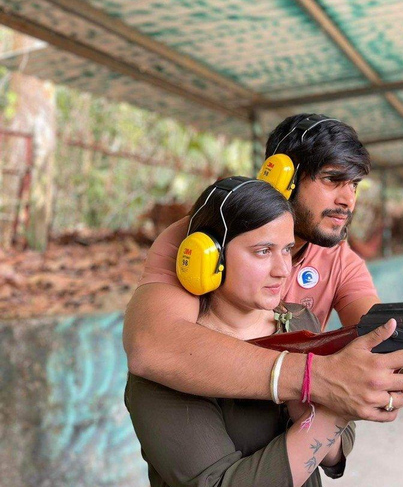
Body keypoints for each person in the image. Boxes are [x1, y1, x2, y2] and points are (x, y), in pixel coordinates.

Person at [123, 114, 403, 424]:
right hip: (200, 430)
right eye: (333, 180)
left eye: (354, 184)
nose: (349, 200)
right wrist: (318, 379)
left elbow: (386, 340)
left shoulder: (342, 260)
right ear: (282, 177)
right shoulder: (202, 237)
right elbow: (152, 345)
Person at [127, 178, 371, 486]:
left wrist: (309, 407)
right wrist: (328, 410)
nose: (283, 269)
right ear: (210, 256)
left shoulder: (300, 321)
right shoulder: (170, 367)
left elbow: (336, 454)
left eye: (286, 250)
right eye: (263, 250)